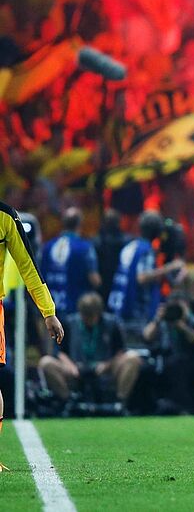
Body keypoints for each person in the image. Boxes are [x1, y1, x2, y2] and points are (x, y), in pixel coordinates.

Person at [1, 201, 65, 470]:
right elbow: (27, 265)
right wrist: (48, 312)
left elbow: (28, 266)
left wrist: (48, 312)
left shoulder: (6, 217)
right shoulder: (5, 216)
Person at [38, 292, 142, 408]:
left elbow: (120, 351)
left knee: (133, 358)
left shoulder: (112, 324)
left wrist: (107, 364)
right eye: (85, 316)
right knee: (46, 362)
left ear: (99, 313)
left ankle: (120, 402)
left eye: (91, 316)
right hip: (75, 368)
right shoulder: (69, 323)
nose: (87, 319)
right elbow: (59, 351)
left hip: (106, 368)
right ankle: (67, 402)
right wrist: (70, 365)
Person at [107, 211, 185, 344]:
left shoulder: (131, 246)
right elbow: (142, 277)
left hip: (120, 306)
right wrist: (170, 267)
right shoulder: (146, 250)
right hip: (137, 310)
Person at [41, 207, 102, 318]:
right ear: (80, 225)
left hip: (50, 310)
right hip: (75, 310)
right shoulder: (85, 248)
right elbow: (94, 279)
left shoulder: (48, 246)